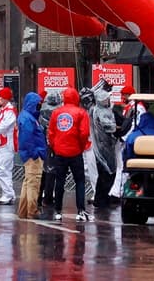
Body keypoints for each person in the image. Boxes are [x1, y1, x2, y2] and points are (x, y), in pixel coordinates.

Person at [48, 87, 92, 222]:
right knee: (79, 181)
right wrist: (81, 146)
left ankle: (57, 210)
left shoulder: (56, 113)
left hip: (60, 152)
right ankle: (80, 210)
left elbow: (51, 133)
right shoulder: (81, 113)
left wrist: (56, 147)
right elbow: (84, 133)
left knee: (59, 181)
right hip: (75, 152)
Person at [16, 92, 47, 219]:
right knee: (33, 183)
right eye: (38, 104)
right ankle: (32, 211)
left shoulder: (27, 116)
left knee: (28, 182)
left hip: (30, 154)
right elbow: (27, 138)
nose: (40, 106)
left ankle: (23, 211)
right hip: (34, 155)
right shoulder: (28, 118)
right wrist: (35, 154)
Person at [88, 87, 118, 209]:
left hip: (100, 146)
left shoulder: (94, 110)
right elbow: (110, 127)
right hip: (104, 147)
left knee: (103, 173)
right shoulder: (102, 112)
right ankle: (102, 199)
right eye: (106, 98)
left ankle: (101, 199)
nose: (108, 100)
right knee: (108, 173)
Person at [38, 89, 63, 209]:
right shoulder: (59, 111)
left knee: (45, 170)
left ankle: (40, 196)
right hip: (55, 142)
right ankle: (48, 197)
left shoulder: (43, 110)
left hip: (44, 142)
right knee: (52, 171)